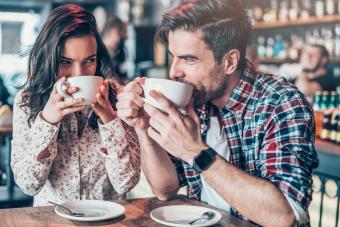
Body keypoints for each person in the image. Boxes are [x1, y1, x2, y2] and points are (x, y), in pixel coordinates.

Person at [116, 0, 319, 226]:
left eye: (188, 59)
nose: (174, 72)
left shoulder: (281, 102)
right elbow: (165, 189)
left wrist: (196, 152)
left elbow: (284, 217)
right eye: (173, 56)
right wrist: (143, 127)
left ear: (229, 61)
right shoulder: (195, 101)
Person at [11, 4, 140, 207]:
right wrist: (47, 121)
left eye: (89, 60)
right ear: (49, 59)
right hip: (51, 219)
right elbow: (28, 184)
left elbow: (126, 183)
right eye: (65, 62)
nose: (80, 74)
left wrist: (110, 121)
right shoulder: (28, 101)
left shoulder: (117, 97)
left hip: (106, 218)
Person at [102, 16, 128, 83]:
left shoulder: (116, 53)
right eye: (123, 32)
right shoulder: (101, 53)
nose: (126, 37)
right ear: (115, 31)